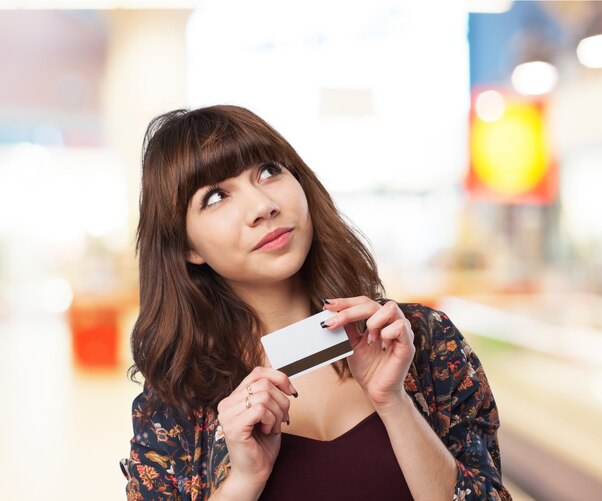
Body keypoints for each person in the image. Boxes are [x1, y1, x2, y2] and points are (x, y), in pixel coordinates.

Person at [120, 105, 511, 501]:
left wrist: (396, 404)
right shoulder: (175, 403)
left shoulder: (422, 341)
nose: (262, 206)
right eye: (217, 196)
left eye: (269, 170)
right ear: (188, 248)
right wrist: (243, 480)